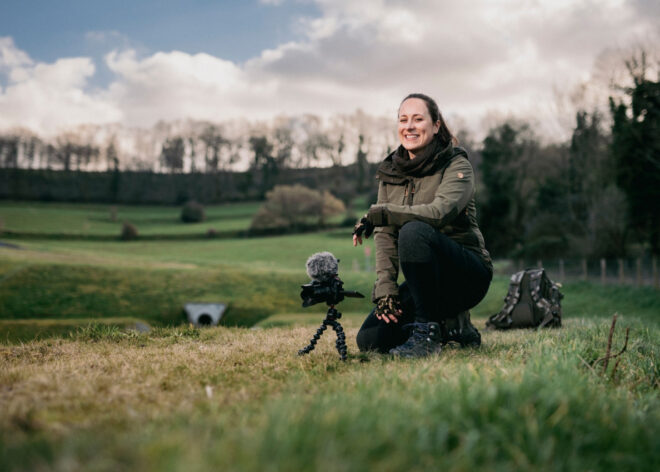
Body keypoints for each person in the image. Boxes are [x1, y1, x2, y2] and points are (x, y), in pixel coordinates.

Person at [352, 93, 492, 358]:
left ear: (436, 125)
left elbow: (439, 213)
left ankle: (426, 337)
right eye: (403, 119)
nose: (409, 126)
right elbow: (384, 233)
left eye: (418, 119)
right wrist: (386, 288)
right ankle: (453, 327)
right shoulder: (390, 172)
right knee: (371, 339)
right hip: (426, 283)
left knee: (413, 230)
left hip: (466, 275)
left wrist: (383, 212)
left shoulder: (456, 164)